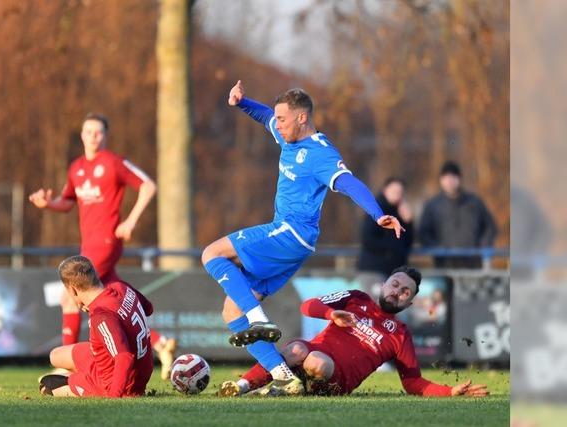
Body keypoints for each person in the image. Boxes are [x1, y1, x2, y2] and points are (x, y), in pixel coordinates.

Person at [201, 80, 404, 395]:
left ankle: (259, 320)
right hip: (292, 240)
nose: (277, 125)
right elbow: (265, 115)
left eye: (283, 119)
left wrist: (378, 213)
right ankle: (283, 375)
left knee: (211, 254)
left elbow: (348, 182)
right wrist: (242, 102)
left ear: (302, 118)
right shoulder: (287, 137)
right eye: (278, 120)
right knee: (231, 310)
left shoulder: (320, 153)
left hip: (292, 232)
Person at [28, 113, 176, 379]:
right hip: (89, 245)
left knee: (70, 296)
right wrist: (47, 204)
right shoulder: (76, 168)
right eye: (88, 132)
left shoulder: (113, 163)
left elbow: (149, 186)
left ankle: (64, 364)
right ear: (82, 135)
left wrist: (130, 221)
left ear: (105, 136)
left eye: (98, 132)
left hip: (106, 242)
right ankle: (160, 342)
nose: (93, 136)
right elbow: (66, 201)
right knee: (110, 300)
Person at [220, 266, 489, 398]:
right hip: (311, 354)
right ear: (384, 285)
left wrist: (448, 391)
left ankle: (287, 389)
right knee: (297, 349)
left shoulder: (400, 335)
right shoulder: (355, 298)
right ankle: (242, 386)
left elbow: (412, 383)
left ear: (408, 303)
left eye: (404, 292)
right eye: (395, 284)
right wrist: (329, 314)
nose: (396, 292)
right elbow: (308, 305)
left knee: (315, 361)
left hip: (335, 380)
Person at [38, 255, 154, 398]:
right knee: (55, 356)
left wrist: (114, 397)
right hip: (136, 370)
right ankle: (81, 373)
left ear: (73, 290)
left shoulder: (101, 316)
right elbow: (148, 308)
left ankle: (81, 380)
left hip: (117, 383)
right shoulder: (120, 287)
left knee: (46, 385)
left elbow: (124, 357)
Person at [419, 161, 497, 268]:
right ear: (441, 180)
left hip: (473, 263)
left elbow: (490, 227)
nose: (450, 181)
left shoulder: (474, 202)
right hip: (444, 265)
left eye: (453, 177)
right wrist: (436, 248)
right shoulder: (433, 205)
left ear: (459, 179)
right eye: (446, 178)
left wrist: (483, 246)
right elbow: (423, 232)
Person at [357, 177, 414, 278]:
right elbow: (368, 238)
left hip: (394, 270)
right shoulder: (376, 209)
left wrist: (408, 223)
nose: (397, 195)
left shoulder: (401, 211)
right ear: (385, 190)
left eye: (400, 192)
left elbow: (408, 241)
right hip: (374, 269)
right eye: (394, 191)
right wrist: (392, 247)